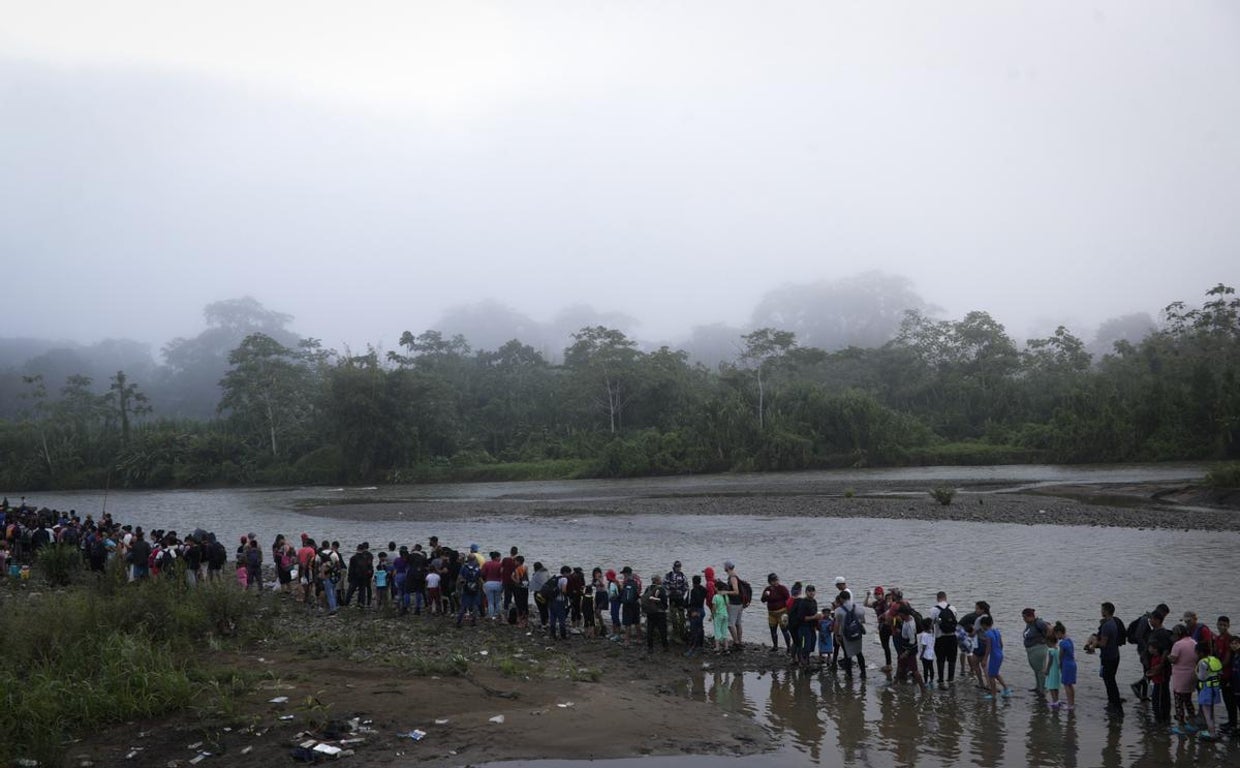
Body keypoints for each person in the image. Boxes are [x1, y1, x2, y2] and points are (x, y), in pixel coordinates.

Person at [1088, 602, 1124, 713]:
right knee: (1109, 680)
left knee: (1110, 682)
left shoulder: (1107, 625)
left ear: (1106, 611)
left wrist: (1093, 645)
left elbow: (1103, 644)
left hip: (1109, 657)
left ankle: (1117, 706)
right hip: (1114, 655)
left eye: (1102, 609)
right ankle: (1112, 702)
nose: (1101, 611)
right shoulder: (1113, 622)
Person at [1168, 624, 1198, 735]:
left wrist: (1167, 656)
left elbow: (1173, 659)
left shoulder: (1177, 645)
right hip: (1192, 675)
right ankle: (1192, 723)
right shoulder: (1194, 642)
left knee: (1178, 702)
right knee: (1188, 700)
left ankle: (1181, 725)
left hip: (1180, 677)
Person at [835, 590, 868, 679]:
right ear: (850, 597)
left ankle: (849, 675)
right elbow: (863, 621)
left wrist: (837, 636)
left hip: (845, 635)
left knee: (847, 654)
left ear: (841, 599)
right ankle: (863, 673)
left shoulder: (838, 611)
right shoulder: (859, 608)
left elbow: (837, 625)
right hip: (857, 633)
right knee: (859, 653)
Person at [979, 614, 1012, 699]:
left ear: (984, 625)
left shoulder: (988, 634)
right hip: (1000, 654)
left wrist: (985, 659)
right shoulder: (996, 631)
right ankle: (1006, 689)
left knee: (991, 676)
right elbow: (1001, 644)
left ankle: (993, 694)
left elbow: (988, 648)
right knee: (996, 673)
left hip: (994, 656)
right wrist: (999, 652)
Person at [1021, 608, 1053, 696]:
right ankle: (1038, 687)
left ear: (1030, 616)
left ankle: (1043, 690)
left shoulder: (1038, 623)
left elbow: (1050, 628)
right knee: (1036, 670)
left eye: (1024, 617)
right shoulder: (1030, 624)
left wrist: (1046, 639)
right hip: (1031, 650)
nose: (1023, 619)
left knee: (1040, 670)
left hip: (1038, 649)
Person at [930, 591, 958, 688]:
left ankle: (941, 679)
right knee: (952, 659)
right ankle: (951, 678)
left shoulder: (933, 609)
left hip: (940, 637)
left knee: (940, 659)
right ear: (946, 598)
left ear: (937, 598)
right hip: (952, 636)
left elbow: (932, 624)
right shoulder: (953, 608)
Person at [1196, 641, 1224, 741]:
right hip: (1215, 689)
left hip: (1206, 689)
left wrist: (1196, 674)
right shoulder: (1214, 659)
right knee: (1212, 711)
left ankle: (1211, 733)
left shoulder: (1202, 662)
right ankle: (1214, 730)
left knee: (1207, 714)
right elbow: (1220, 672)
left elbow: (1202, 677)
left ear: (1200, 653)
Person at [1213, 616, 1235, 733]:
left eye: (1224, 625)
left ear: (1228, 626)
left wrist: (1217, 667)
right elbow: (1216, 654)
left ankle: (1233, 724)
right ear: (1217, 624)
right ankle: (1231, 722)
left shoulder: (1229, 639)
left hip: (1229, 674)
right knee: (1226, 699)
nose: (1222, 627)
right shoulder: (1218, 638)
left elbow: (1227, 658)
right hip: (1221, 673)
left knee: (1231, 700)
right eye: (1220, 624)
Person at [761, 573, 792, 653]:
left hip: (782, 612)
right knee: (773, 630)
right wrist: (765, 595)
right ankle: (775, 646)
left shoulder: (782, 588)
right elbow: (763, 600)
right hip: (771, 613)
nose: (775, 582)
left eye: (776, 580)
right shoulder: (767, 589)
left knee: (785, 630)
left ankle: (789, 647)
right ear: (769, 582)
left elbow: (788, 599)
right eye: (773, 581)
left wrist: (789, 611)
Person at [866, 586, 893, 669]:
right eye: (876, 594)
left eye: (879, 594)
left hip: (887, 626)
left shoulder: (885, 602)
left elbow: (889, 609)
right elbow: (866, 604)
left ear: (882, 594)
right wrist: (867, 596)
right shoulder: (875, 603)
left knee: (886, 646)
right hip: (881, 627)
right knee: (885, 646)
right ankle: (889, 664)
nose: (877, 595)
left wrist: (882, 616)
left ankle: (889, 665)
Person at [643, 574, 670, 653]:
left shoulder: (648, 588)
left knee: (650, 630)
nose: (661, 581)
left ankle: (650, 647)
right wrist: (664, 608)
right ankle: (665, 646)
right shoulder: (661, 589)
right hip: (660, 613)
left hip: (650, 612)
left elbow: (645, 599)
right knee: (662, 630)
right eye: (660, 580)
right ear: (657, 581)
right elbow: (665, 602)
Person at [722, 561, 746, 648]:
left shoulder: (732, 577)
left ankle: (736, 642)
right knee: (738, 623)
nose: (723, 568)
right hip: (739, 603)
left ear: (727, 568)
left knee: (730, 624)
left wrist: (726, 592)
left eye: (724, 566)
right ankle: (739, 641)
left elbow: (736, 591)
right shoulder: (735, 576)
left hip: (734, 604)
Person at [665, 561, 688, 643]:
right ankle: (674, 634)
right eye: (677, 567)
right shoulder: (669, 575)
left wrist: (681, 592)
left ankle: (682, 634)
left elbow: (686, 586)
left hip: (680, 599)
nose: (678, 568)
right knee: (673, 617)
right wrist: (670, 592)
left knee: (682, 618)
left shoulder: (683, 576)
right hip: (672, 599)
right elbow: (665, 585)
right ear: (674, 567)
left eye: (679, 567)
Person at [685, 574, 707, 657]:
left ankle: (693, 649)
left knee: (694, 631)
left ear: (693, 582)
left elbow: (689, 602)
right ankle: (700, 646)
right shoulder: (704, 589)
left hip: (695, 612)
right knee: (700, 629)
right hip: (702, 610)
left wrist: (689, 610)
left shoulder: (693, 591)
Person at [1043, 634, 1062, 709]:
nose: (1046, 644)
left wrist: (1047, 670)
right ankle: (1057, 700)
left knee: (1051, 687)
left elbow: (1050, 661)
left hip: (1052, 670)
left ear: (1050, 642)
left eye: (1047, 642)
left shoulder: (1050, 650)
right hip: (1057, 670)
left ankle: (1054, 701)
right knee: (1056, 686)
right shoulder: (1058, 649)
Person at [917, 617, 936, 687]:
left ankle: (925, 682)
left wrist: (921, 655)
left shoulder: (924, 635)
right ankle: (931, 681)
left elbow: (924, 647)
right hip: (931, 654)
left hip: (925, 655)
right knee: (931, 668)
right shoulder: (933, 633)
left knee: (925, 669)